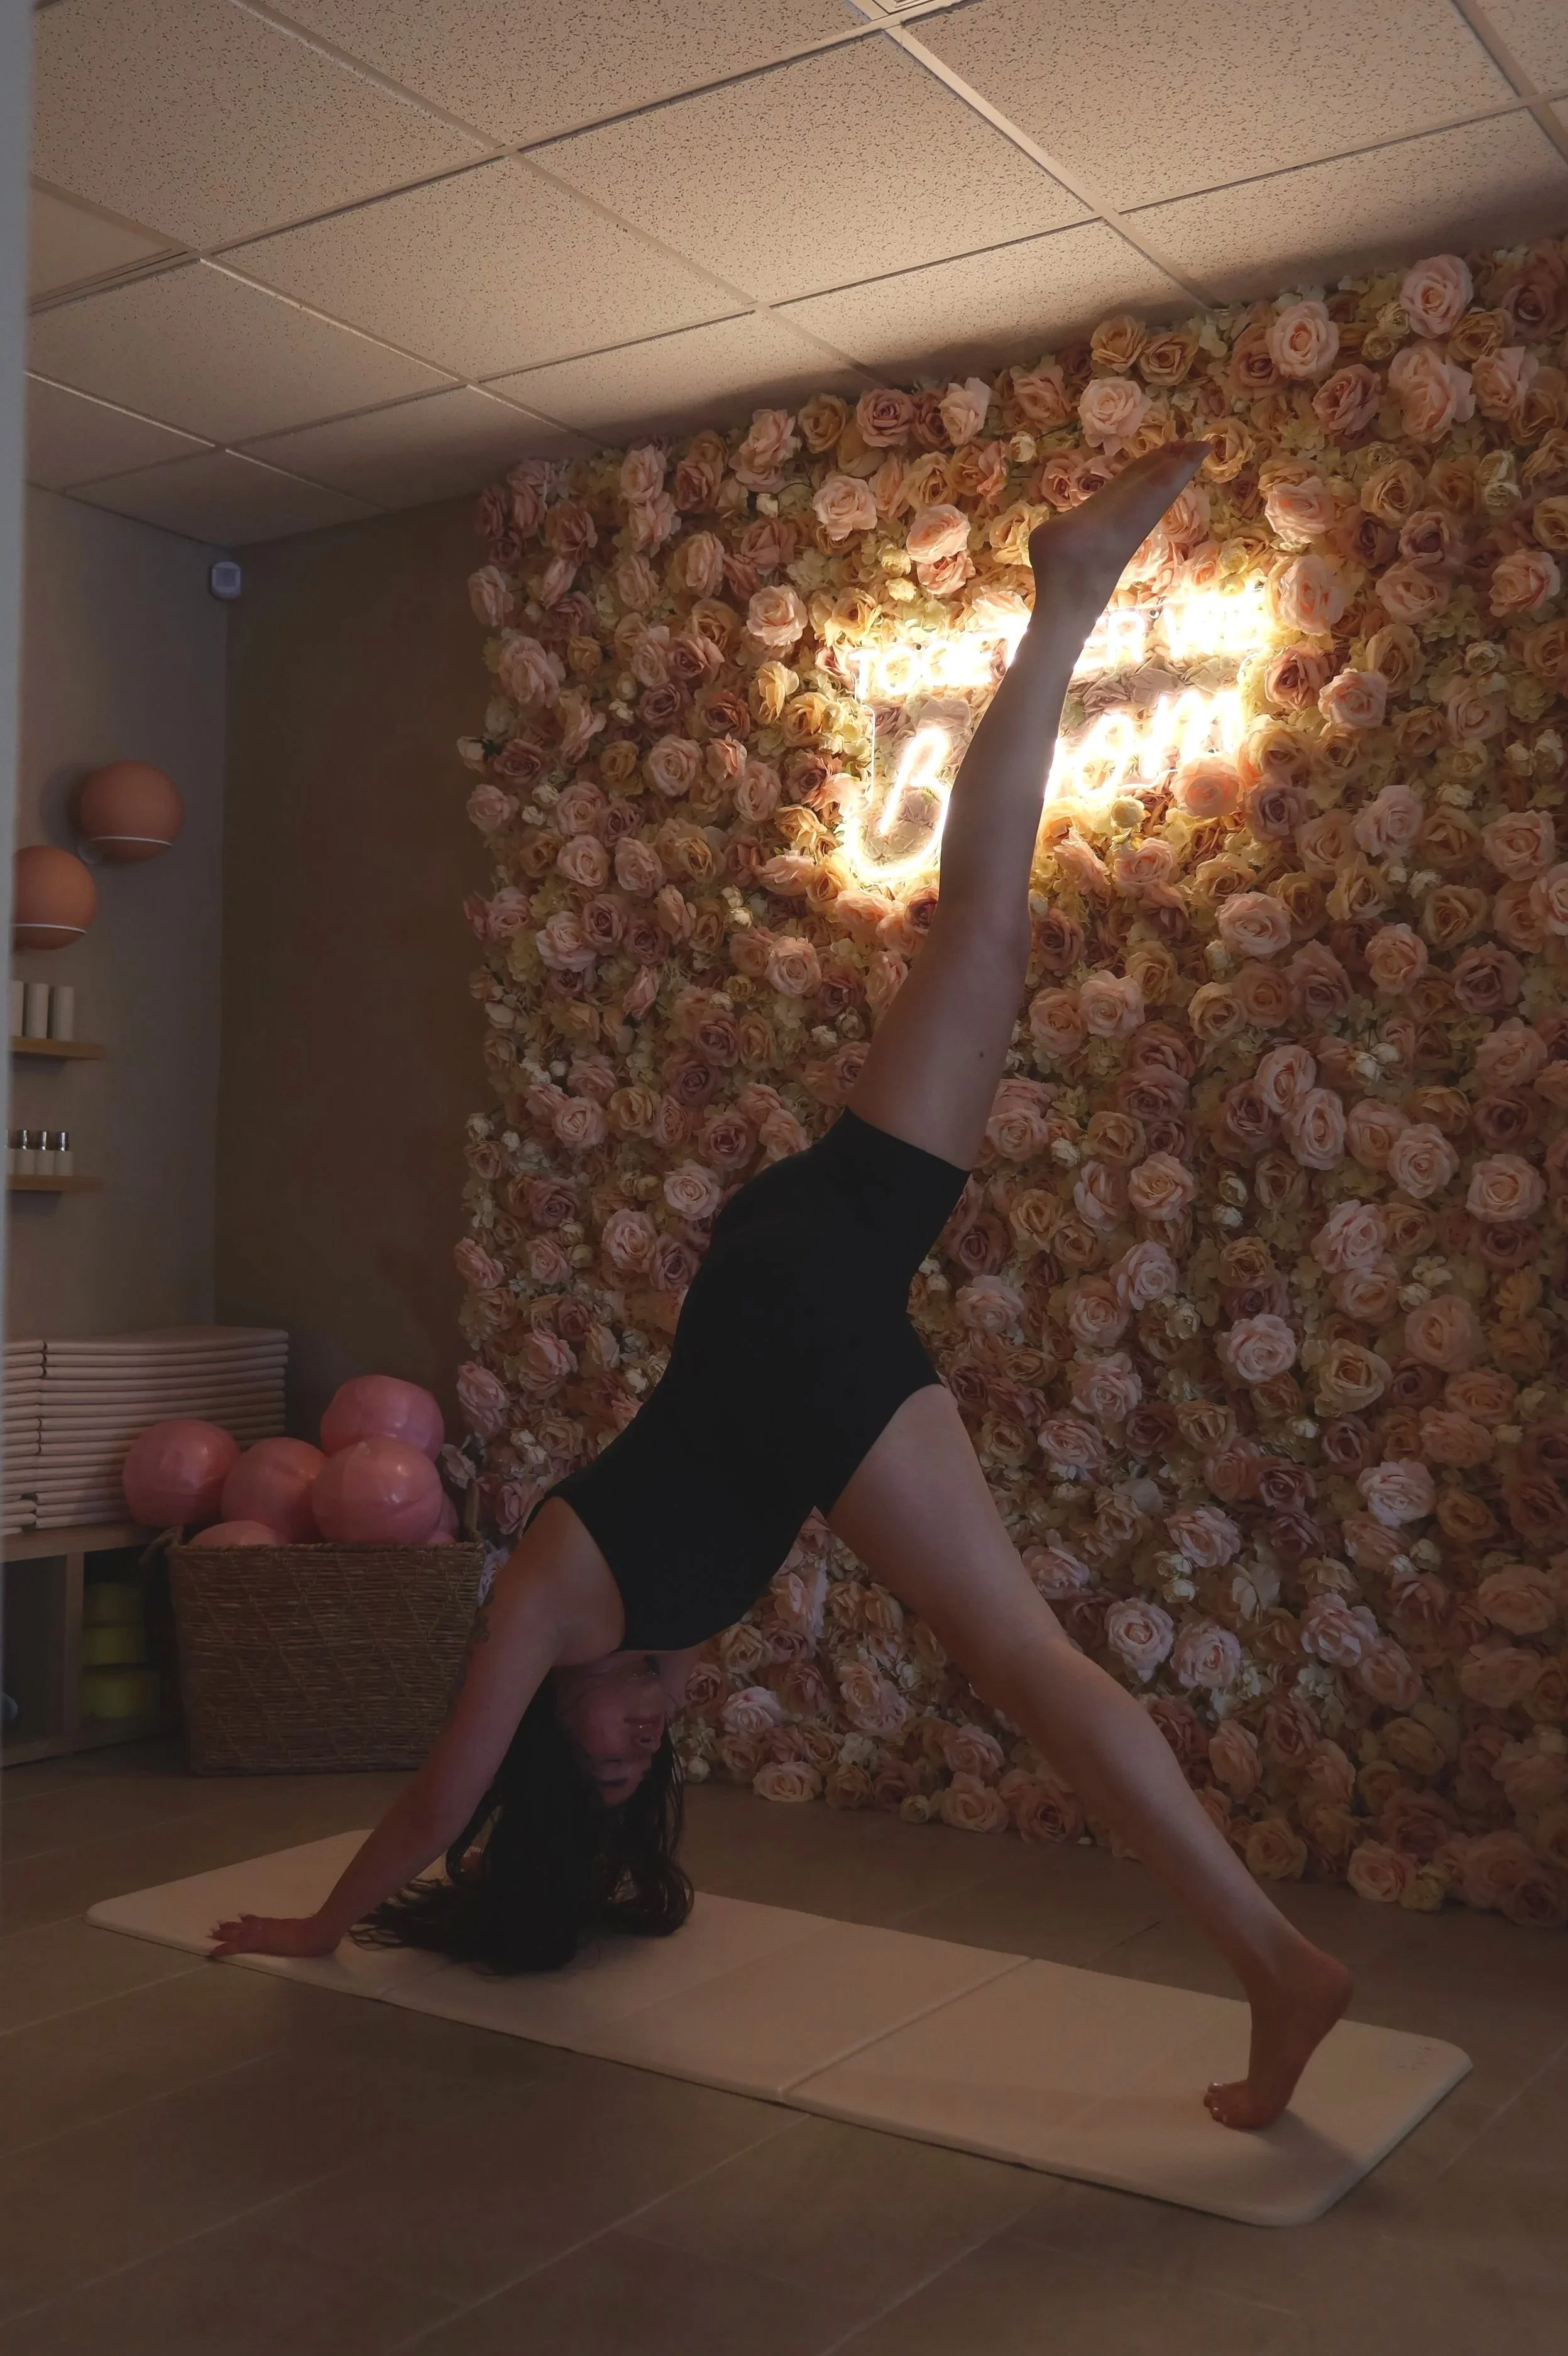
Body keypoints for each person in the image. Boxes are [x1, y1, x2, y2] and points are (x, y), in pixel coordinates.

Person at [209, 441, 1351, 2131]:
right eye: (636, 1761)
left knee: (1028, 1665)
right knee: (982, 929)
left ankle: (1275, 1966)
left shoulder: (537, 1600)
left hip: (782, 1319)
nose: (634, 1732)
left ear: (543, 1716)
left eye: (594, 1748)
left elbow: (438, 1795)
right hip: (799, 1264)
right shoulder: (639, 1635)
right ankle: (1064, 595)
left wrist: (320, 1918)